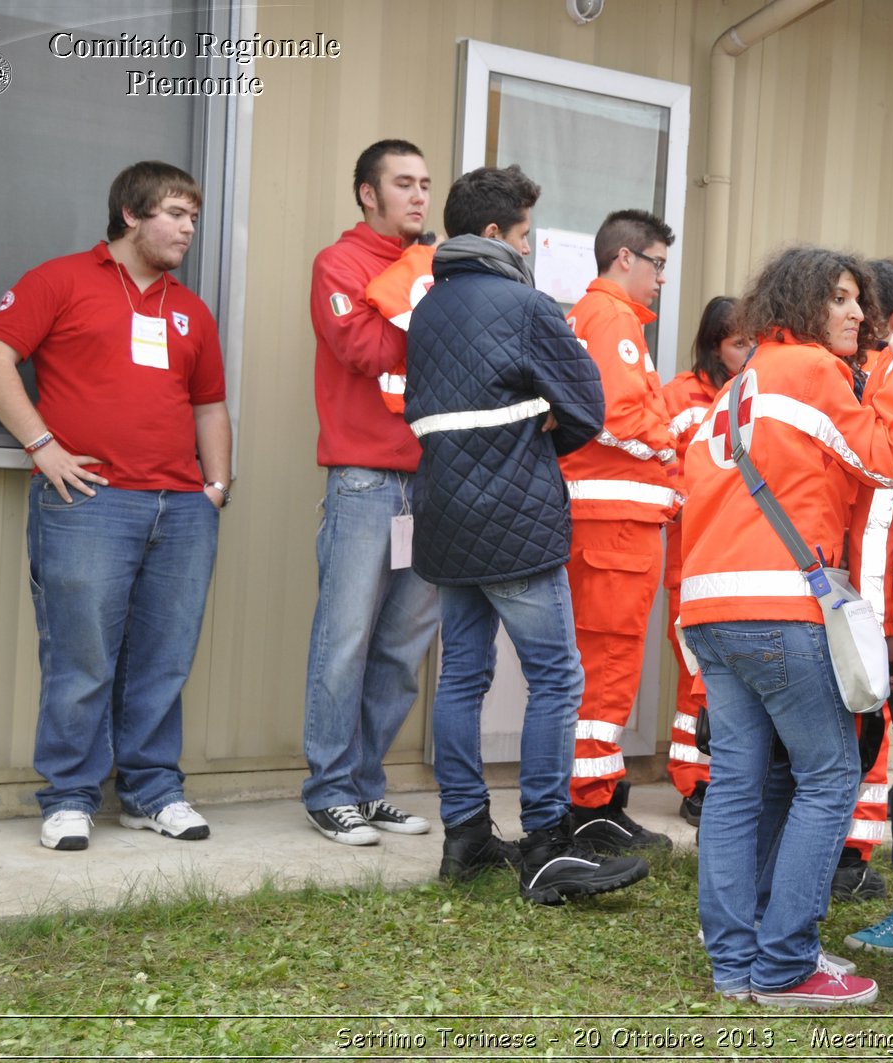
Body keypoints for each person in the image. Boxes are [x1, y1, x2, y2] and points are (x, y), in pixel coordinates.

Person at [681, 246, 893, 1007]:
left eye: (860, 300)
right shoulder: (814, 371)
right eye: (844, 299)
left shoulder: (737, 384)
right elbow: (890, 458)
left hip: (710, 608)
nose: (859, 313)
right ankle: (786, 964)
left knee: (735, 784)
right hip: (779, 606)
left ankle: (735, 961)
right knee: (828, 776)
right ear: (803, 305)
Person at [0, 161, 231, 851]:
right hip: (89, 502)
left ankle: (150, 790)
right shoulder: (60, 280)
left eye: (194, 218)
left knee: (163, 659)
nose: (188, 229)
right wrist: (43, 447)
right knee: (81, 657)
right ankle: (70, 796)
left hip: (180, 508)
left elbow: (210, 405)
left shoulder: (190, 308)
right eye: (176, 213)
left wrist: (218, 484)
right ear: (132, 213)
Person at [405, 164, 648, 904]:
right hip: (514, 516)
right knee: (557, 675)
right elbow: (588, 403)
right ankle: (546, 842)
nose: (529, 247)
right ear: (492, 236)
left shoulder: (429, 309)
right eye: (521, 234)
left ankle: (467, 834)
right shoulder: (526, 304)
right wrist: (542, 436)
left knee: (462, 677)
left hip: (443, 515)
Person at [301, 139, 442, 845]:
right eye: (403, 184)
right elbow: (365, 349)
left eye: (425, 184)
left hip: (432, 481)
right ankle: (328, 790)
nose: (419, 196)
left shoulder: (431, 269)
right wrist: (424, 293)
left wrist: (419, 289)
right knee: (346, 638)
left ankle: (364, 784)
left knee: (402, 646)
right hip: (365, 479)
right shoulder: (342, 262)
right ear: (368, 193)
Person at [560, 210, 682, 853]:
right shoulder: (611, 319)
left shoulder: (597, 317)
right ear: (625, 259)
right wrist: (672, 446)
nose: (663, 276)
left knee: (595, 666)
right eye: (658, 262)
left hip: (605, 525)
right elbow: (614, 414)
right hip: (615, 529)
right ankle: (590, 810)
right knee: (607, 667)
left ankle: (591, 801)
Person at [834, 257, 893, 909]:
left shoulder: (838, 381)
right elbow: (878, 518)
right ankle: (846, 858)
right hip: (865, 602)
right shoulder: (885, 389)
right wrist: (879, 630)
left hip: (827, 592)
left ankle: (843, 855)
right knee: (863, 743)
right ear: (892, 321)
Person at [661, 295, 751, 825]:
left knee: (726, 682)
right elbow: (663, 469)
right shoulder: (681, 397)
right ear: (714, 346)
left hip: (741, 563)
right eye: (738, 343)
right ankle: (696, 782)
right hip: (693, 562)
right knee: (695, 678)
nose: (747, 353)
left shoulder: (756, 393)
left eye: (751, 342)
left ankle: (721, 778)